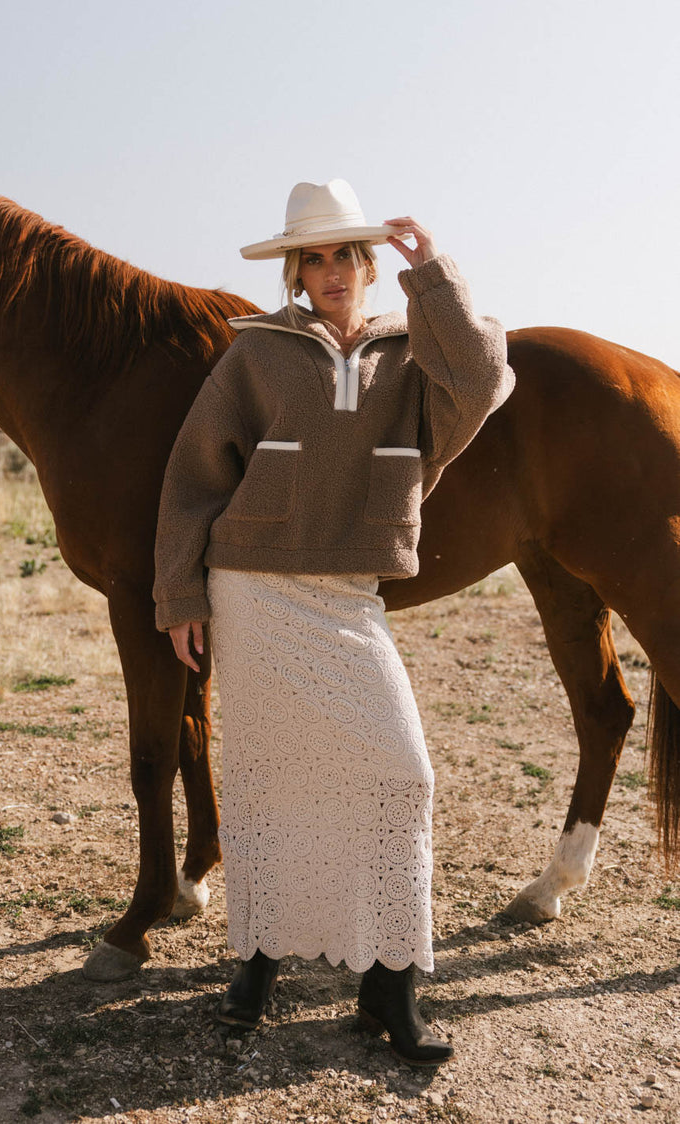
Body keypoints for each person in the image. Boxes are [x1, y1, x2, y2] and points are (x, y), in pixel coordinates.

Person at [153, 179, 515, 1066]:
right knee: (272, 788)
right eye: (311, 258)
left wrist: (432, 275)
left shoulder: (412, 355)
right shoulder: (257, 354)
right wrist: (181, 595)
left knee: (402, 777)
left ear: (367, 263)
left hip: (348, 596)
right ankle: (258, 964)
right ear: (297, 272)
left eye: (343, 255)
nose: (329, 272)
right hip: (254, 590)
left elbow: (485, 382)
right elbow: (195, 474)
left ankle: (388, 984)